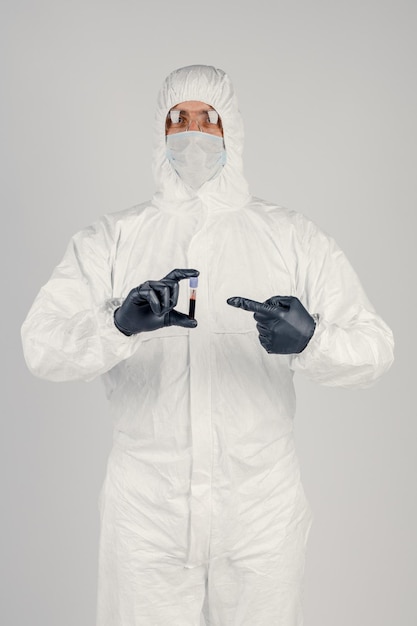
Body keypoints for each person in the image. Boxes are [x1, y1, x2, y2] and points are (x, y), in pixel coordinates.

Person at [21, 64, 394, 626]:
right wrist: (117, 326)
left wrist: (311, 340)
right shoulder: (112, 239)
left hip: (260, 510)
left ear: (232, 130)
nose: (193, 134)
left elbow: (374, 349)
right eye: (178, 119)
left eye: (208, 119)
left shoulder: (289, 236)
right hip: (147, 512)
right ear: (160, 130)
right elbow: (41, 347)